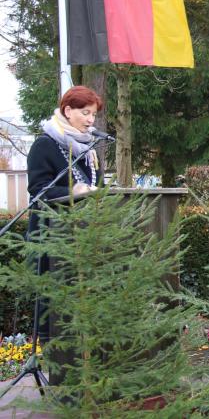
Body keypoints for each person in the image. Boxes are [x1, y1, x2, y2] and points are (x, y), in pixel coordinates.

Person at [25, 85, 105, 356]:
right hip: (52, 236)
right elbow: (38, 189)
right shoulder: (44, 145)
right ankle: (57, 356)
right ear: (67, 111)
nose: (91, 120)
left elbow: (98, 186)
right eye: (85, 113)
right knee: (55, 304)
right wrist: (74, 192)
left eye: (93, 115)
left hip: (86, 238)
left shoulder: (88, 149)